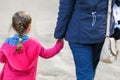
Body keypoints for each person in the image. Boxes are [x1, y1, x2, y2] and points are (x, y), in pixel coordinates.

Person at [54, 0, 120, 80]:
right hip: (102, 33)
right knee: (89, 71)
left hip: (79, 34)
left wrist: (59, 34)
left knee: (85, 73)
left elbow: (65, 10)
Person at [0, 11, 63, 80]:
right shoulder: (34, 43)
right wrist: (59, 45)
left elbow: (2, 59)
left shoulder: (7, 43)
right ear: (29, 27)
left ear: (13, 26)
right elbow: (46, 54)